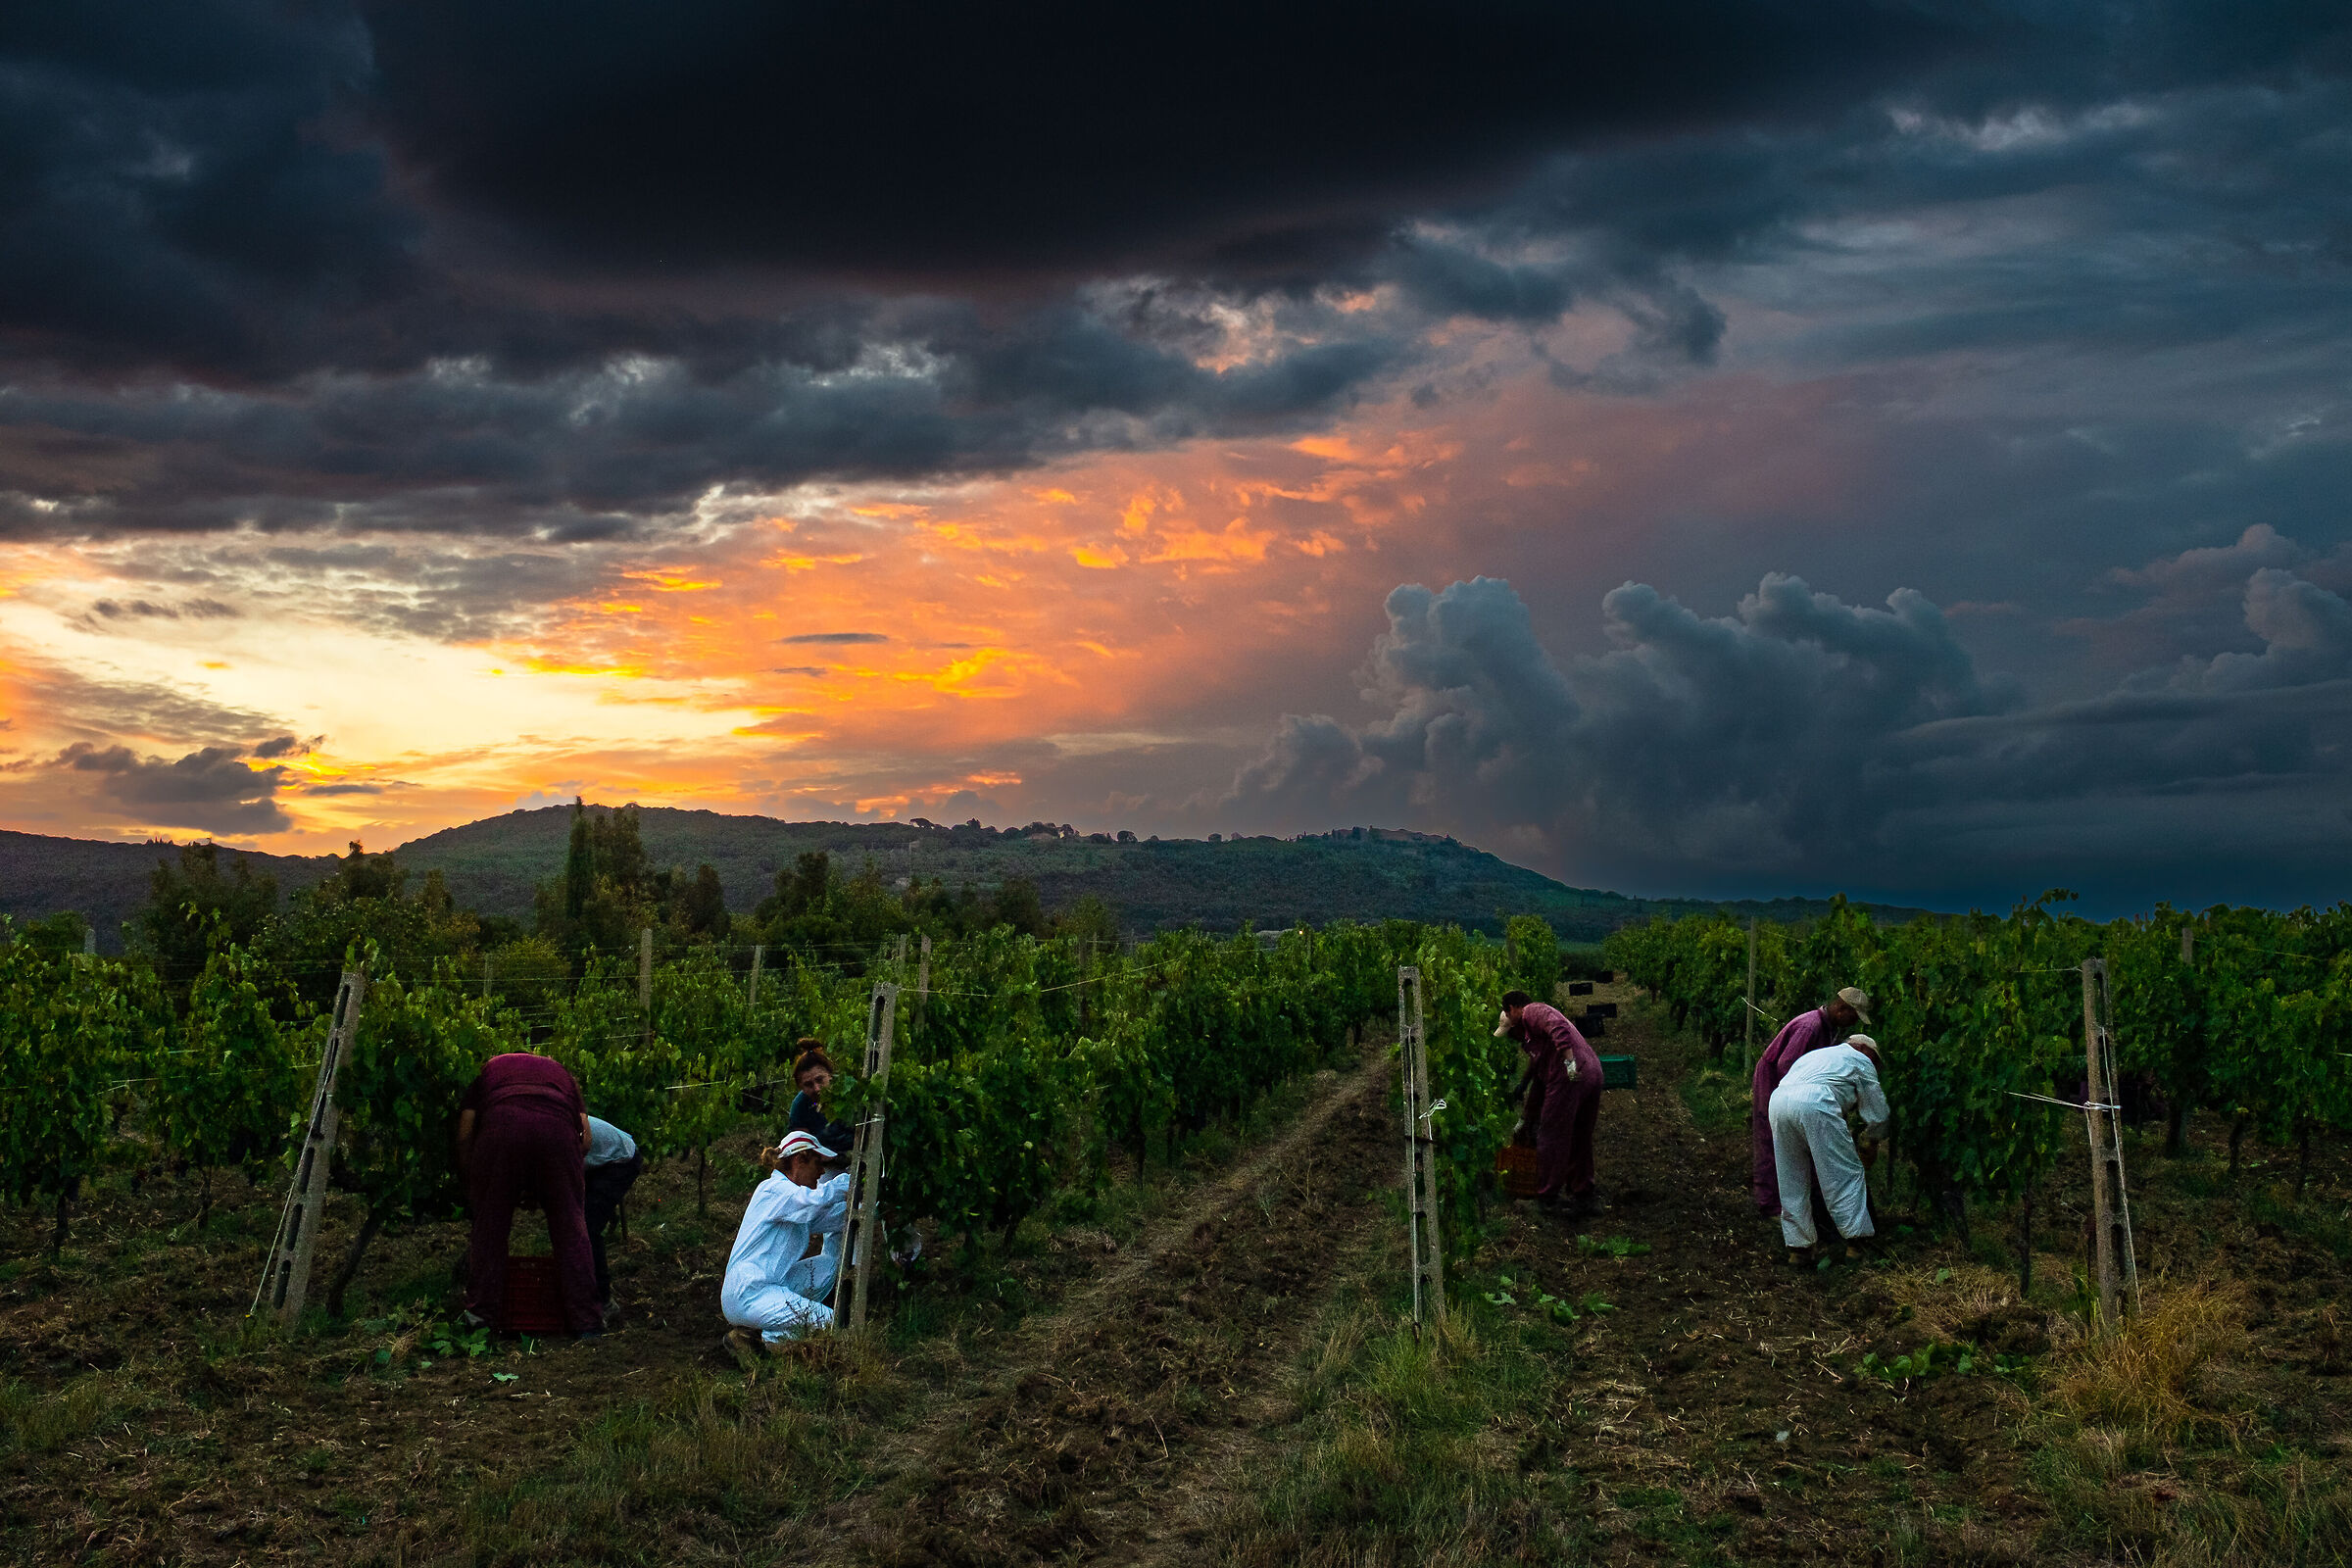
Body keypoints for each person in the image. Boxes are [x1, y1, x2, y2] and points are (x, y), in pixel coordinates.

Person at [456, 1051, 602, 1338]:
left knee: (490, 1227)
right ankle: (587, 1323)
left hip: (502, 1128)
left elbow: (464, 1131)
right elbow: (585, 1139)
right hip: (557, 1134)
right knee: (571, 1227)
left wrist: (474, 1180)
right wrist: (548, 1187)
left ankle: (480, 1319)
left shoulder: (488, 1069)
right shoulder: (563, 1075)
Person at [722, 1129, 853, 1353]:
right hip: (749, 1291)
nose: (822, 1172)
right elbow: (814, 1201)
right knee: (828, 1322)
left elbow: (836, 1218)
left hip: (772, 1284)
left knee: (829, 1266)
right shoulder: (774, 1191)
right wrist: (849, 1183)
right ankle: (766, 1346)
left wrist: (880, 1209)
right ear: (799, 1160)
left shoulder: (794, 1202)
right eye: (817, 1163)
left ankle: (755, 1338)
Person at [1769, 1032, 1890, 1262]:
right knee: (1844, 1173)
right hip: (1816, 1101)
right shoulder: (1861, 1059)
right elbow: (1877, 1112)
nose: (1874, 1064)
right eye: (1875, 1058)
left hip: (1779, 1101)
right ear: (1863, 1048)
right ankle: (1856, 1245)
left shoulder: (1818, 1055)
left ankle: (1799, 1249)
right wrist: (1872, 1142)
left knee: (1791, 1176)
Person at [1750, 986, 1870, 1216]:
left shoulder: (1829, 1029)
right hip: (1773, 1079)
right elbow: (1786, 1065)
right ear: (1841, 1009)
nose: (1853, 1023)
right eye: (1853, 1017)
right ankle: (1770, 1205)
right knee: (1771, 1139)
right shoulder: (1810, 1026)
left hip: (1791, 1085)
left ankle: (1796, 1200)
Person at [1498, 988, 1604, 1217]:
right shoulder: (1535, 1041)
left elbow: (1558, 1026)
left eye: (1511, 1029)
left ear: (1514, 1009)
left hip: (1570, 1077)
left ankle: (1547, 1197)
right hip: (1592, 1072)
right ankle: (1583, 1194)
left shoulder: (1531, 1011)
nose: (1512, 1036)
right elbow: (1538, 1081)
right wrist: (1524, 1116)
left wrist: (1568, 1063)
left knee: (1551, 1135)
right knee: (1579, 1136)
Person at [583, 1114, 642, 1320]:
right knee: (577, 1223)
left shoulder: (553, 1126)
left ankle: (604, 1301)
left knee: (588, 1226)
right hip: (599, 1160)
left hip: (621, 1159)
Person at [786, 1041, 857, 1154]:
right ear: (800, 1087)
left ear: (830, 1075)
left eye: (820, 1080)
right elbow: (803, 1150)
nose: (817, 1088)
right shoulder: (800, 1106)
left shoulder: (849, 1089)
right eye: (808, 1084)